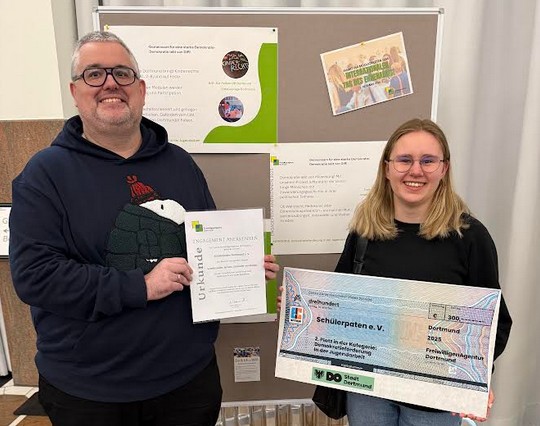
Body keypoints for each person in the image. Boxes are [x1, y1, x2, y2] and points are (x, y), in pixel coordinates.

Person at [9, 31, 279, 426]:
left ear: (141, 89)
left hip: (187, 382)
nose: (110, 83)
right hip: (90, 393)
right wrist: (141, 286)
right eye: (94, 74)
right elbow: (35, 277)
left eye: (122, 73)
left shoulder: (180, 163)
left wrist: (239, 269)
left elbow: (203, 249)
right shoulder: (44, 174)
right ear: (75, 91)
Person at [337, 118, 512, 425]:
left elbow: (494, 322)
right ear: (387, 168)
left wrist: (476, 376)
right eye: (404, 160)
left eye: (428, 161)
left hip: (436, 396)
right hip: (369, 390)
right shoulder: (364, 232)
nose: (415, 171)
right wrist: (302, 304)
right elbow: (340, 302)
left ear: (444, 169)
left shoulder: (469, 237)